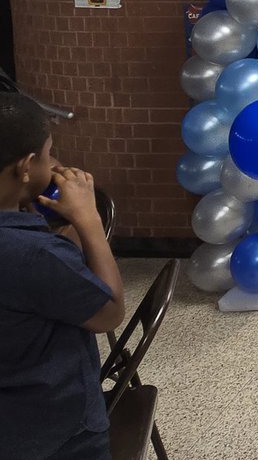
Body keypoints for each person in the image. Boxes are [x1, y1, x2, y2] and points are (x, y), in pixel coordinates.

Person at [0, 93, 126, 460]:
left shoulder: (35, 250)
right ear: (26, 167)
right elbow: (109, 312)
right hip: (49, 431)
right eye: (48, 152)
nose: (54, 162)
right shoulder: (35, 255)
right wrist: (88, 220)